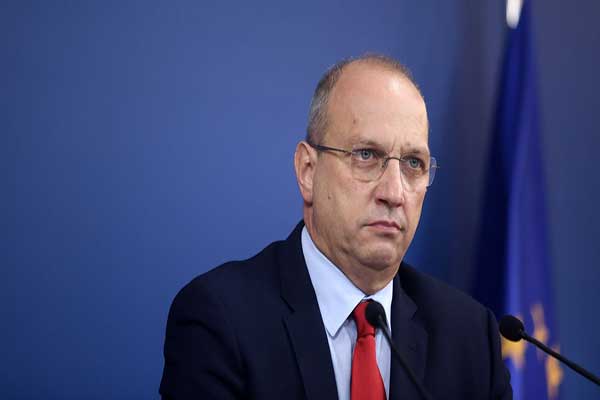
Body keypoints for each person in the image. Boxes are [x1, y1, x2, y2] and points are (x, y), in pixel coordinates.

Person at [159, 55, 512, 400]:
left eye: (413, 163)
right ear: (308, 171)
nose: (394, 193)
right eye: (366, 155)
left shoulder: (470, 337)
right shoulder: (222, 321)